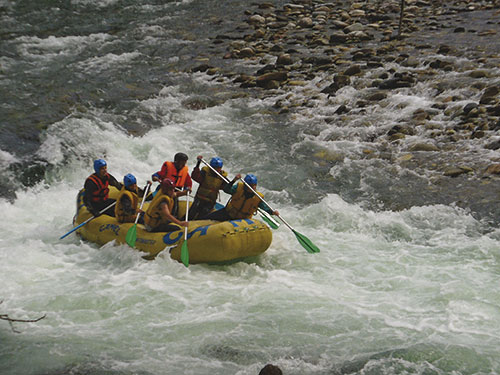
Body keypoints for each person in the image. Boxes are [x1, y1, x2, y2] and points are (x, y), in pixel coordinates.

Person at [203, 173, 279, 221]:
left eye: (254, 185)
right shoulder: (238, 188)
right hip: (230, 213)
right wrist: (234, 180)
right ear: (246, 185)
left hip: (243, 220)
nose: (253, 188)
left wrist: (272, 212)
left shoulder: (257, 197)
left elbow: (264, 207)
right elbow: (226, 190)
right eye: (251, 186)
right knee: (208, 218)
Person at [188, 155, 229, 220]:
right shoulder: (205, 172)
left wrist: (233, 181)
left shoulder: (222, 177)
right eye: (215, 168)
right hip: (200, 198)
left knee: (203, 215)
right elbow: (195, 177)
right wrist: (198, 163)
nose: (217, 170)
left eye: (219, 168)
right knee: (192, 212)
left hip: (210, 201)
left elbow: (226, 188)